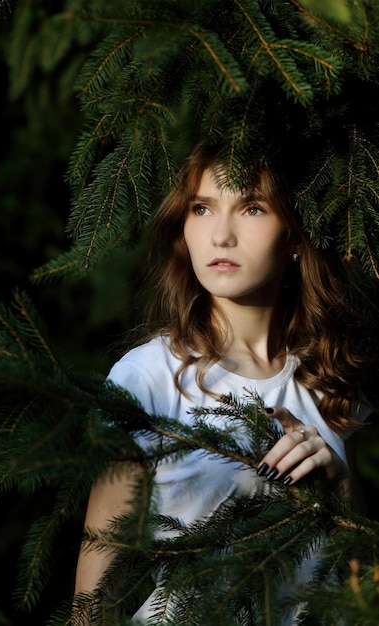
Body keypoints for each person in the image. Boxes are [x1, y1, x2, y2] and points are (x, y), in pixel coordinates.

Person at [73, 142, 375, 624]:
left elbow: (360, 585)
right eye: (202, 208)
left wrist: (337, 483)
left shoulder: (329, 378)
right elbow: (93, 601)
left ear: (295, 234)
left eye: (252, 207)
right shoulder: (147, 378)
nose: (221, 235)